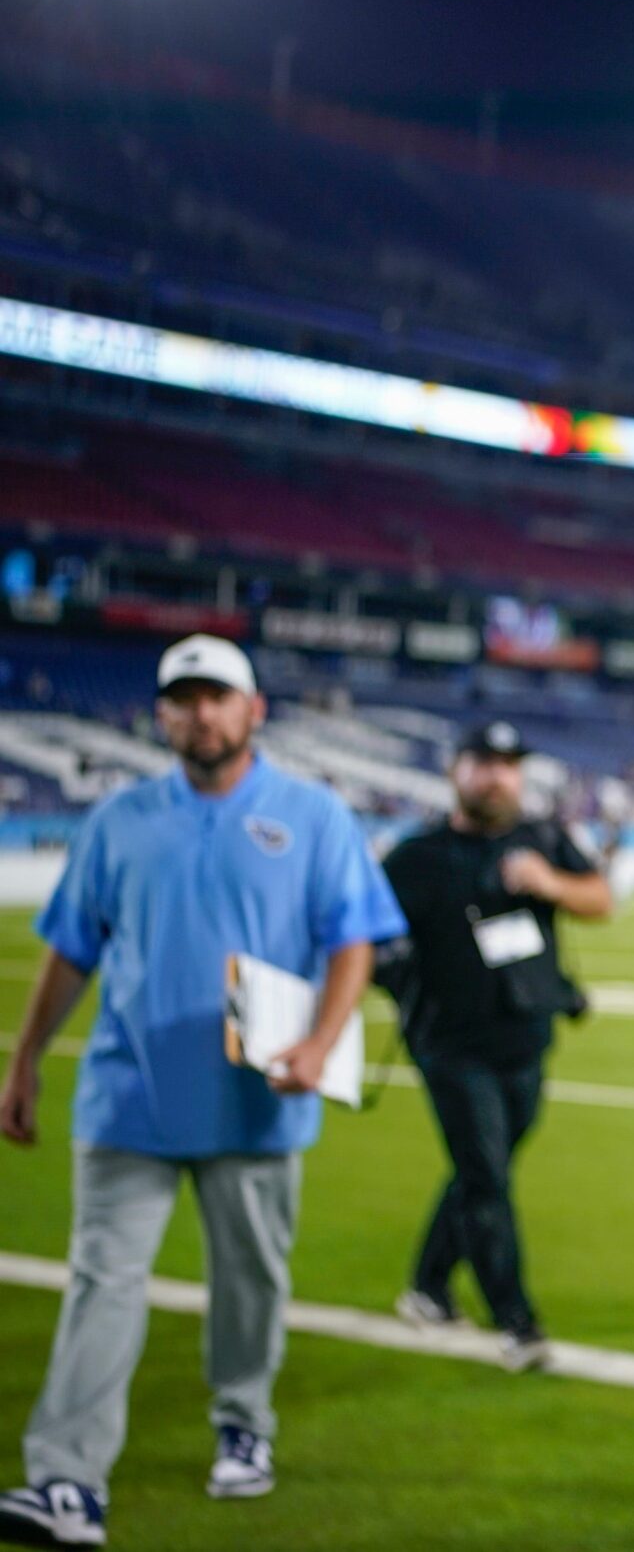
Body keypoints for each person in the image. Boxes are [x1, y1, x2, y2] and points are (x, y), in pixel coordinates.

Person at [0, 636, 405, 1547]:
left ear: (253, 709)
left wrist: (321, 1041)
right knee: (101, 1280)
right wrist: (24, 1060)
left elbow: (355, 940)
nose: (200, 714)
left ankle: (243, 1424)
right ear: (161, 714)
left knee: (249, 1283)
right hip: (127, 1094)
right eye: (182, 699)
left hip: (255, 1097)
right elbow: (72, 946)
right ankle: (67, 1481)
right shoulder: (117, 819)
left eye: (217, 696)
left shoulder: (314, 815)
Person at [378, 721, 610, 1374]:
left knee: (485, 1168)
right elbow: (362, 940)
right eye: (484, 762)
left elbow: (599, 898)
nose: (497, 775)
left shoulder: (541, 838)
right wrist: (400, 988)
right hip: (450, 1045)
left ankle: (427, 1286)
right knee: (486, 1176)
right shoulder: (414, 855)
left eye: (509, 764)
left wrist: (548, 882)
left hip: (526, 1037)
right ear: (457, 770)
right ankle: (517, 1320)